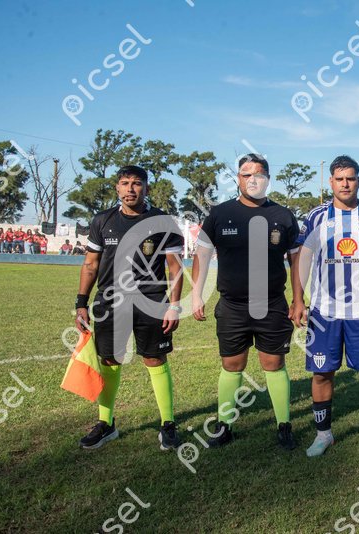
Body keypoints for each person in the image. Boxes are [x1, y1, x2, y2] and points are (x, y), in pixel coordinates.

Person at [191, 153, 302, 450]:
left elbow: (296, 261)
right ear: (238, 179)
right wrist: (197, 294)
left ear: (268, 179)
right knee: (232, 364)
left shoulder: (283, 216)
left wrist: (298, 300)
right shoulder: (219, 214)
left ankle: (284, 425)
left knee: (273, 363)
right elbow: (202, 255)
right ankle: (224, 426)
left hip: (271, 304)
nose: (253, 179)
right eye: (246, 174)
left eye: (259, 174)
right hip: (233, 305)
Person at [74, 165, 185, 451]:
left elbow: (175, 268)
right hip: (111, 303)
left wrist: (174, 306)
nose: (130, 189)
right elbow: (90, 264)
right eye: (125, 183)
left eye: (136, 183)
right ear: (117, 187)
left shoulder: (162, 221)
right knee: (110, 361)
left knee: (155, 359)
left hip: (151, 301)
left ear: (147, 188)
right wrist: (81, 303)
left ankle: (168, 424)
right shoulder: (102, 220)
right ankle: (106, 423)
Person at [290, 155, 359, 457]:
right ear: (331, 182)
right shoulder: (316, 217)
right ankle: (323, 435)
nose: (345, 184)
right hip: (324, 312)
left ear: (358, 181)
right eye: (339, 179)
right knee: (321, 373)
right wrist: (297, 300)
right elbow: (302, 260)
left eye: (350, 178)